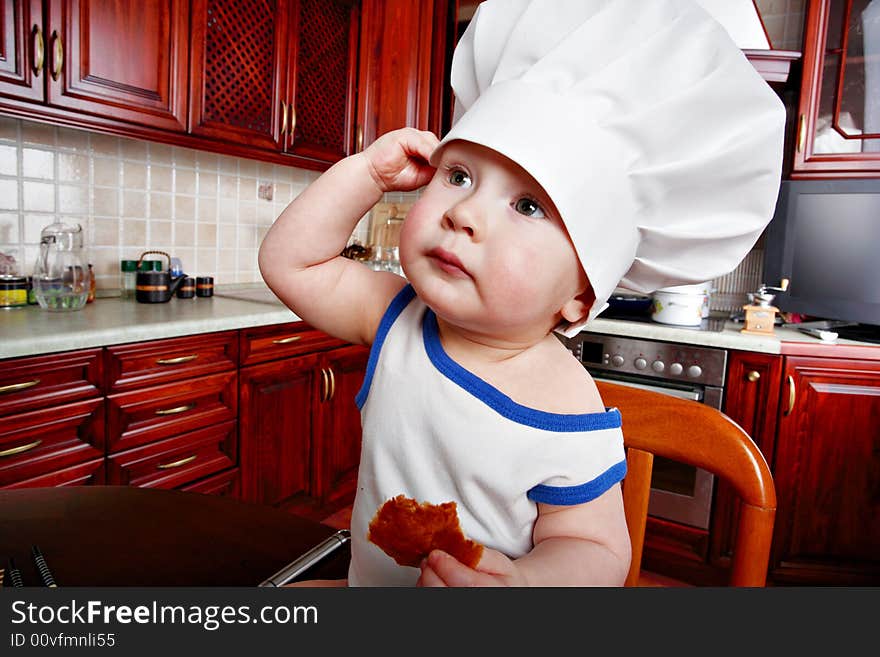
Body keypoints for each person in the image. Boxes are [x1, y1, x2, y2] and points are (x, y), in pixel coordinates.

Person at [258, 0, 785, 586]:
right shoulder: (397, 317)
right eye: (458, 176)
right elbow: (292, 264)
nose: (464, 213)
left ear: (579, 299)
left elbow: (594, 548)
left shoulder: (567, 404)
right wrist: (368, 174)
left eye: (528, 205)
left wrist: (528, 585)